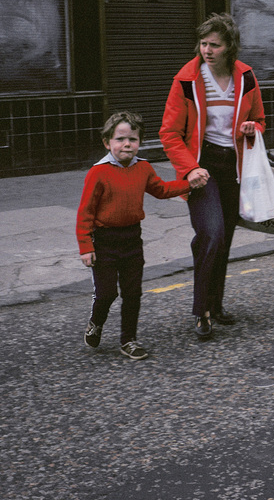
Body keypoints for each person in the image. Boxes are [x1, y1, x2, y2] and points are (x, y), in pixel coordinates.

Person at [160, 13, 266, 340]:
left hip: (234, 168)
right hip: (201, 169)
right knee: (212, 234)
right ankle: (202, 310)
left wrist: (252, 129)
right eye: (204, 43)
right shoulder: (188, 79)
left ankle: (216, 305)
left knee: (224, 240)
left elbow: (260, 120)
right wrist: (190, 168)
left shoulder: (246, 77)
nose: (207, 50)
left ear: (228, 47)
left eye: (214, 45)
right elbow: (169, 133)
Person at [77, 111, 193, 360]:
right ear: (107, 143)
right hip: (104, 242)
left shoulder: (143, 168)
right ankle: (96, 323)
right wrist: (86, 246)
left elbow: (161, 190)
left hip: (132, 240)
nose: (126, 144)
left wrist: (189, 184)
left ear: (140, 142)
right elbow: (85, 212)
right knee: (107, 293)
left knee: (133, 293)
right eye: (120, 139)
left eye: (132, 139)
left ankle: (128, 339)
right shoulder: (98, 173)